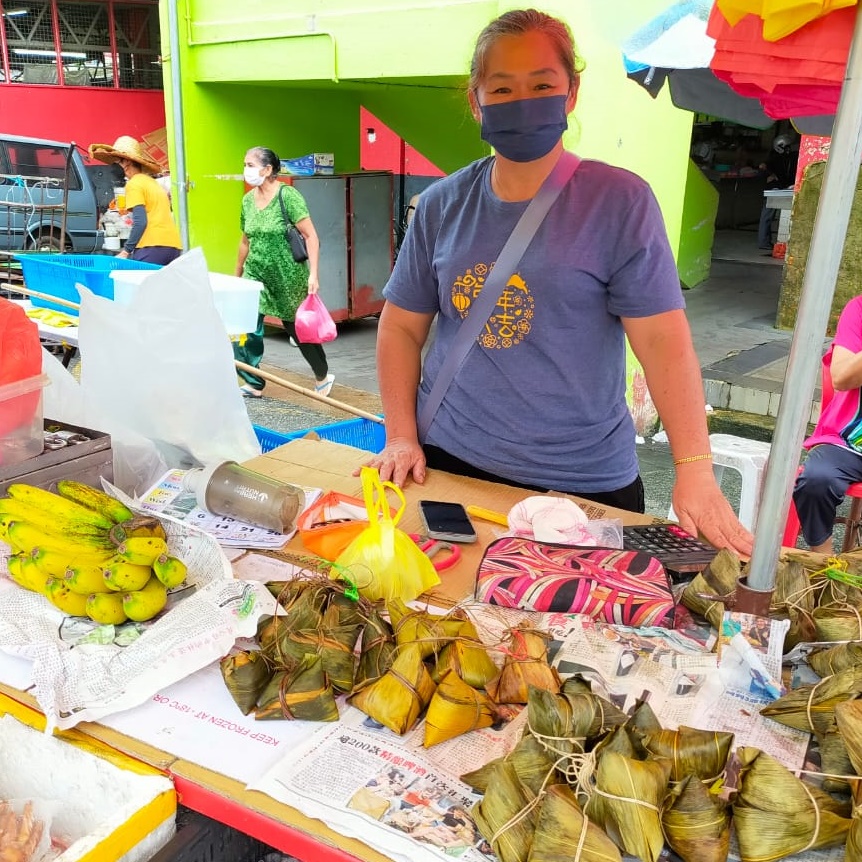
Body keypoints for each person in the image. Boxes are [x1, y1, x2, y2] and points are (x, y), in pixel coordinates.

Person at [364, 8, 752, 557]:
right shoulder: (440, 206)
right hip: (451, 464)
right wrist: (401, 434)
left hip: (582, 481)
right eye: (502, 87)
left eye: (542, 84)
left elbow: (663, 342)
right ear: (476, 101)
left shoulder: (619, 202)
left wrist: (695, 468)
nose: (522, 100)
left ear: (571, 92)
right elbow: (400, 327)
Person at [233, 146, 334, 399]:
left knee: (299, 330)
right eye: (245, 165)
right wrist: (237, 275)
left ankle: (322, 374)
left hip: (288, 275)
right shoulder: (247, 201)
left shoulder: (287, 197)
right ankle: (252, 380)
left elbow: (311, 236)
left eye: (250, 165)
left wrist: (313, 274)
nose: (246, 170)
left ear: (267, 170)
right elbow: (245, 241)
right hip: (255, 273)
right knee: (245, 327)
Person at [792, 295, 862, 553]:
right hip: (850, 441)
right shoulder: (859, 309)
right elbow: (841, 377)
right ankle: (823, 569)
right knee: (817, 480)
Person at [88, 135, 182, 264]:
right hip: (173, 246)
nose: (114, 166)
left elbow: (140, 221)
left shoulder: (134, 184)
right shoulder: (151, 183)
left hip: (151, 247)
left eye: (117, 162)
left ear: (127, 162)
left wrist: (126, 250)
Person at [757, 132, 798, 250]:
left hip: (782, 188)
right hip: (774, 190)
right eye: (788, 147)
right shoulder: (774, 159)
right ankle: (763, 242)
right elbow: (762, 169)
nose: (790, 149)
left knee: (768, 216)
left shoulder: (788, 158)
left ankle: (765, 242)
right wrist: (770, 176)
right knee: (767, 216)